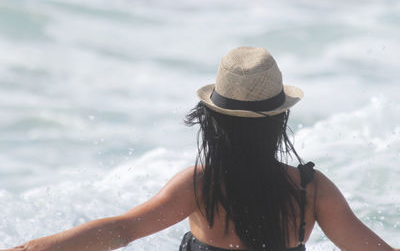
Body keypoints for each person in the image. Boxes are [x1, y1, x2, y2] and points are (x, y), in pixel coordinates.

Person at [2, 46, 398, 251]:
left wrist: (33, 248)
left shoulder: (202, 186)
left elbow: (123, 230)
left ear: (213, 122)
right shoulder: (310, 190)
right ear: (279, 120)